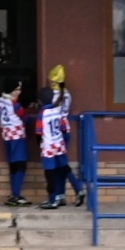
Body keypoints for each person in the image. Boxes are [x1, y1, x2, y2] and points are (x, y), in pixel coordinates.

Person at [40, 64, 86, 206]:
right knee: (62, 165)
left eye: (51, 80)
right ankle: (71, 191)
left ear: (54, 81)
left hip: (52, 134)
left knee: (55, 167)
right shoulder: (66, 93)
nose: (49, 82)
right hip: (63, 130)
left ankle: (57, 196)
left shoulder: (52, 95)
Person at [0, 79, 31, 207]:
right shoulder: (15, 105)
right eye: (16, 89)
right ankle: (15, 196)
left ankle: (14, 194)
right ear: (10, 90)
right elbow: (27, 119)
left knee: (13, 165)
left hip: (6, 136)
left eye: (19, 89)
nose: (19, 92)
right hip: (18, 136)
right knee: (20, 165)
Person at [35, 78, 78, 209]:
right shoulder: (58, 110)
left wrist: (39, 144)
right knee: (64, 167)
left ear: (40, 101)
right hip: (59, 144)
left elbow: (38, 132)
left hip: (48, 146)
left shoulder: (41, 114)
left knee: (50, 173)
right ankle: (78, 188)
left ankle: (52, 199)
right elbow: (64, 128)